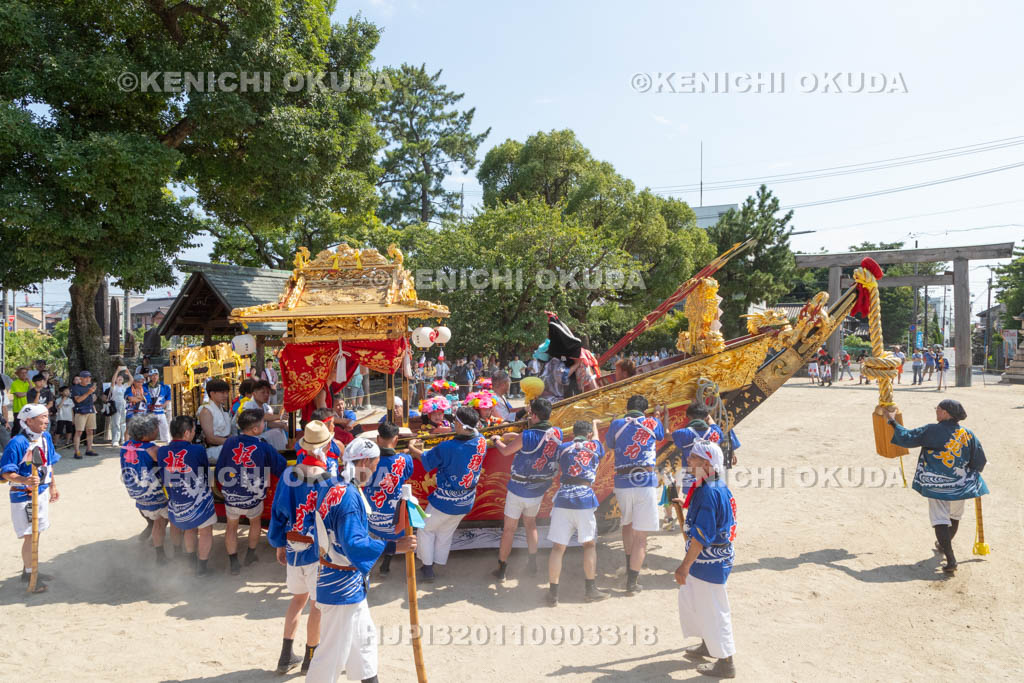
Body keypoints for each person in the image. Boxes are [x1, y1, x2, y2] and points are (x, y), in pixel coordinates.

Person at [305, 437, 417, 683]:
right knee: (331, 653)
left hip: (345, 579)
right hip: (341, 584)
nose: (374, 472)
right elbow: (354, 543)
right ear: (364, 462)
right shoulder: (348, 496)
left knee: (363, 639)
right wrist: (393, 546)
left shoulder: (333, 483)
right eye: (374, 466)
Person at [888, 399, 987, 574]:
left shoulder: (932, 430)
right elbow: (979, 461)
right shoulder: (968, 434)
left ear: (946, 413)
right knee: (954, 517)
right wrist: (970, 477)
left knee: (940, 519)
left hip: (938, 484)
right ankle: (943, 547)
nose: (936, 411)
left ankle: (951, 558)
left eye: (938, 409)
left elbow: (907, 438)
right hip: (961, 485)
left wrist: (892, 421)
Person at [268, 421, 335, 675]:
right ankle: (310, 657)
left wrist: (278, 544)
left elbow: (278, 514)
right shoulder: (329, 479)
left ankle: (285, 655)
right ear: (326, 446)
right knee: (316, 605)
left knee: (297, 599)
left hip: (293, 545)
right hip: (318, 550)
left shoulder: (289, 475)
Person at [675, 439, 737, 679]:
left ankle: (726, 662)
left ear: (707, 464)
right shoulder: (710, 485)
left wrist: (684, 565)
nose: (688, 460)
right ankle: (709, 644)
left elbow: (702, 535)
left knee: (713, 608)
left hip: (709, 560)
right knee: (693, 599)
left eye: (694, 457)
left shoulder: (710, 490)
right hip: (709, 558)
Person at [407, 405, 486, 582]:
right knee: (445, 531)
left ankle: (428, 568)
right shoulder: (481, 440)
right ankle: (436, 562)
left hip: (446, 501)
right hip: (467, 500)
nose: (453, 423)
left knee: (425, 529)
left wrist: (412, 447)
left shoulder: (448, 446)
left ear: (461, 425)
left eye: (455, 421)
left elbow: (427, 460)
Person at [490, 398, 562, 580]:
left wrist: (497, 440)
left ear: (535, 415)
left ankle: (502, 568)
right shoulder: (557, 433)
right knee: (531, 525)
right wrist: (517, 437)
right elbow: (540, 441)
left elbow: (506, 451)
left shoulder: (527, 435)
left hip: (518, 489)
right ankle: (532, 563)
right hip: (537, 490)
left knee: (509, 529)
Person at [217, 408, 289, 574]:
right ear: (256, 429)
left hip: (232, 495)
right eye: (263, 422)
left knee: (231, 526)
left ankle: (234, 563)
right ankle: (250, 555)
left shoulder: (230, 442)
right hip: (253, 497)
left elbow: (220, 468)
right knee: (255, 522)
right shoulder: (262, 446)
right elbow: (281, 466)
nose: (264, 424)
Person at [606, 394, 665, 594]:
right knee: (641, 537)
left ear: (627, 408)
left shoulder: (617, 424)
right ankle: (632, 582)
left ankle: (627, 564)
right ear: (644, 410)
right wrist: (658, 415)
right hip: (645, 481)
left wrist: (614, 422)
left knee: (627, 524)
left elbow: (610, 444)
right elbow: (661, 435)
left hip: (623, 482)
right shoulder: (652, 422)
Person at [546, 419, 609, 605]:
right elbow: (596, 439)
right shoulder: (594, 446)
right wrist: (595, 424)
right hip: (584, 499)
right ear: (589, 434)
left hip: (563, 498)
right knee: (589, 545)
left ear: (573, 433)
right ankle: (590, 590)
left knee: (558, 548)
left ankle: (553, 594)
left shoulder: (563, 447)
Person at [1, 404, 61, 592]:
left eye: (47, 416)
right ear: (29, 420)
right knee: (30, 535)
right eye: (42, 417)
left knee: (37, 532)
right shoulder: (18, 443)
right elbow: (6, 473)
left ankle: (30, 569)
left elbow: (49, 464)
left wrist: (52, 485)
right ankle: (30, 575)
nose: (46, 421)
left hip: (41, 491)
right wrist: (24, 480)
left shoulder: (46, 437)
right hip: (24, 495)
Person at [160, 415, 216, 576]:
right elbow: (206, 474)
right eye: (192, 431)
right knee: (205, 531)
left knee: (189, 529)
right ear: (186, 433)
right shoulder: (197, 449)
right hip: (199, 502)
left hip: (177, 503)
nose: (193, 433)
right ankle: (202, 567)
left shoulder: (162, 451)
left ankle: (191, 563)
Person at [119, 415, 173, 564]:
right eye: (155, 428)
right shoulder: (152, 449)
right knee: (162, 521)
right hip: (153, 494)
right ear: (146, 433)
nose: (157, 430)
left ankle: (152, 536)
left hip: (137, 492)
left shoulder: (126, 446)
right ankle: (161, 555)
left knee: (155, 520)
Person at [363, 422, 414, 577]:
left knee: (372, 537)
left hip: (371, 516)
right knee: (396, 533)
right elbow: (407, 474)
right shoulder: (404, 460)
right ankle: (386, 563)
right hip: (394, 518)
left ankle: (366, 568)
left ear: (378, 439)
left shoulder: (367, 460)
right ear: (396, 439)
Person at [673, 403, 741, 480]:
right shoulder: (715, 432)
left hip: (692, 476)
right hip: (711, 475)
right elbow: (713, 423)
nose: (689, 459)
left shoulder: (683, 434)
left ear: (689, 417)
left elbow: (666, 436)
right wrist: (702, 408)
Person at [244, 379, 288, 450]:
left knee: (279, 430)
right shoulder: (248, 405)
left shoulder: (264, 406)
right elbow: (262, 416)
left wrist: (282, 425)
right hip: (249, 438)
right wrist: (280, 416)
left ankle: (282, 452)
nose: (266, 395)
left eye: (268, 392)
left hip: (259, 435)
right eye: (263, 392)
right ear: (254, 393)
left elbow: (268, 423)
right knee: (276, 433)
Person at [197, 379, 233, 462]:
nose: (226, 396)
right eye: (222, 393)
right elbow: (210, 439)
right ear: (212, 393)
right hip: (213, 450)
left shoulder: (222, 409)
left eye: (226, 393)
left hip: (224, 446)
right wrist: (232, 442)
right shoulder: (206, 411)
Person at [71, 370, 99, 458]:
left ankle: (89, 449)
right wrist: (88, 393)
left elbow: (92, 398)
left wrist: (93, 396)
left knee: (90, 431)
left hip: (90, 410)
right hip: (80, 411)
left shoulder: (90, 386)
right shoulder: (75, 388)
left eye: (89, 377)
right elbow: (78, 400)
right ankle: (77, 451)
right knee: (79, 431)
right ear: (81, 378)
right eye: (85, 377)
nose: (88, 379)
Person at [145, 369, 172, 442]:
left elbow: (169, 396)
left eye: (156, 375)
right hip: (150, 412)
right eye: (152, 375)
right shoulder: (145, 386)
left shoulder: (164, 386)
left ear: (158, 376)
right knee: (150, 429)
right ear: (149, 377)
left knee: (165, 428)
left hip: (160, 411)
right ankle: (150, 444)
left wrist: (164, 405)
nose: (154, 377)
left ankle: (166, 443)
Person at [107, 370, 128, 448]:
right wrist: (117, 371)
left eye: (121, 377)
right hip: (115, 405)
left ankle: (123, 439)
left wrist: (128, 372)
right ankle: (115, 440)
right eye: (118, 377)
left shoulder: (124, 386)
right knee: (115, 423)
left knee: (123, 423)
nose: (120, 378)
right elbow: (113, 381)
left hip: (124, 405)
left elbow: (131, 380)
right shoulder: (114, 387)